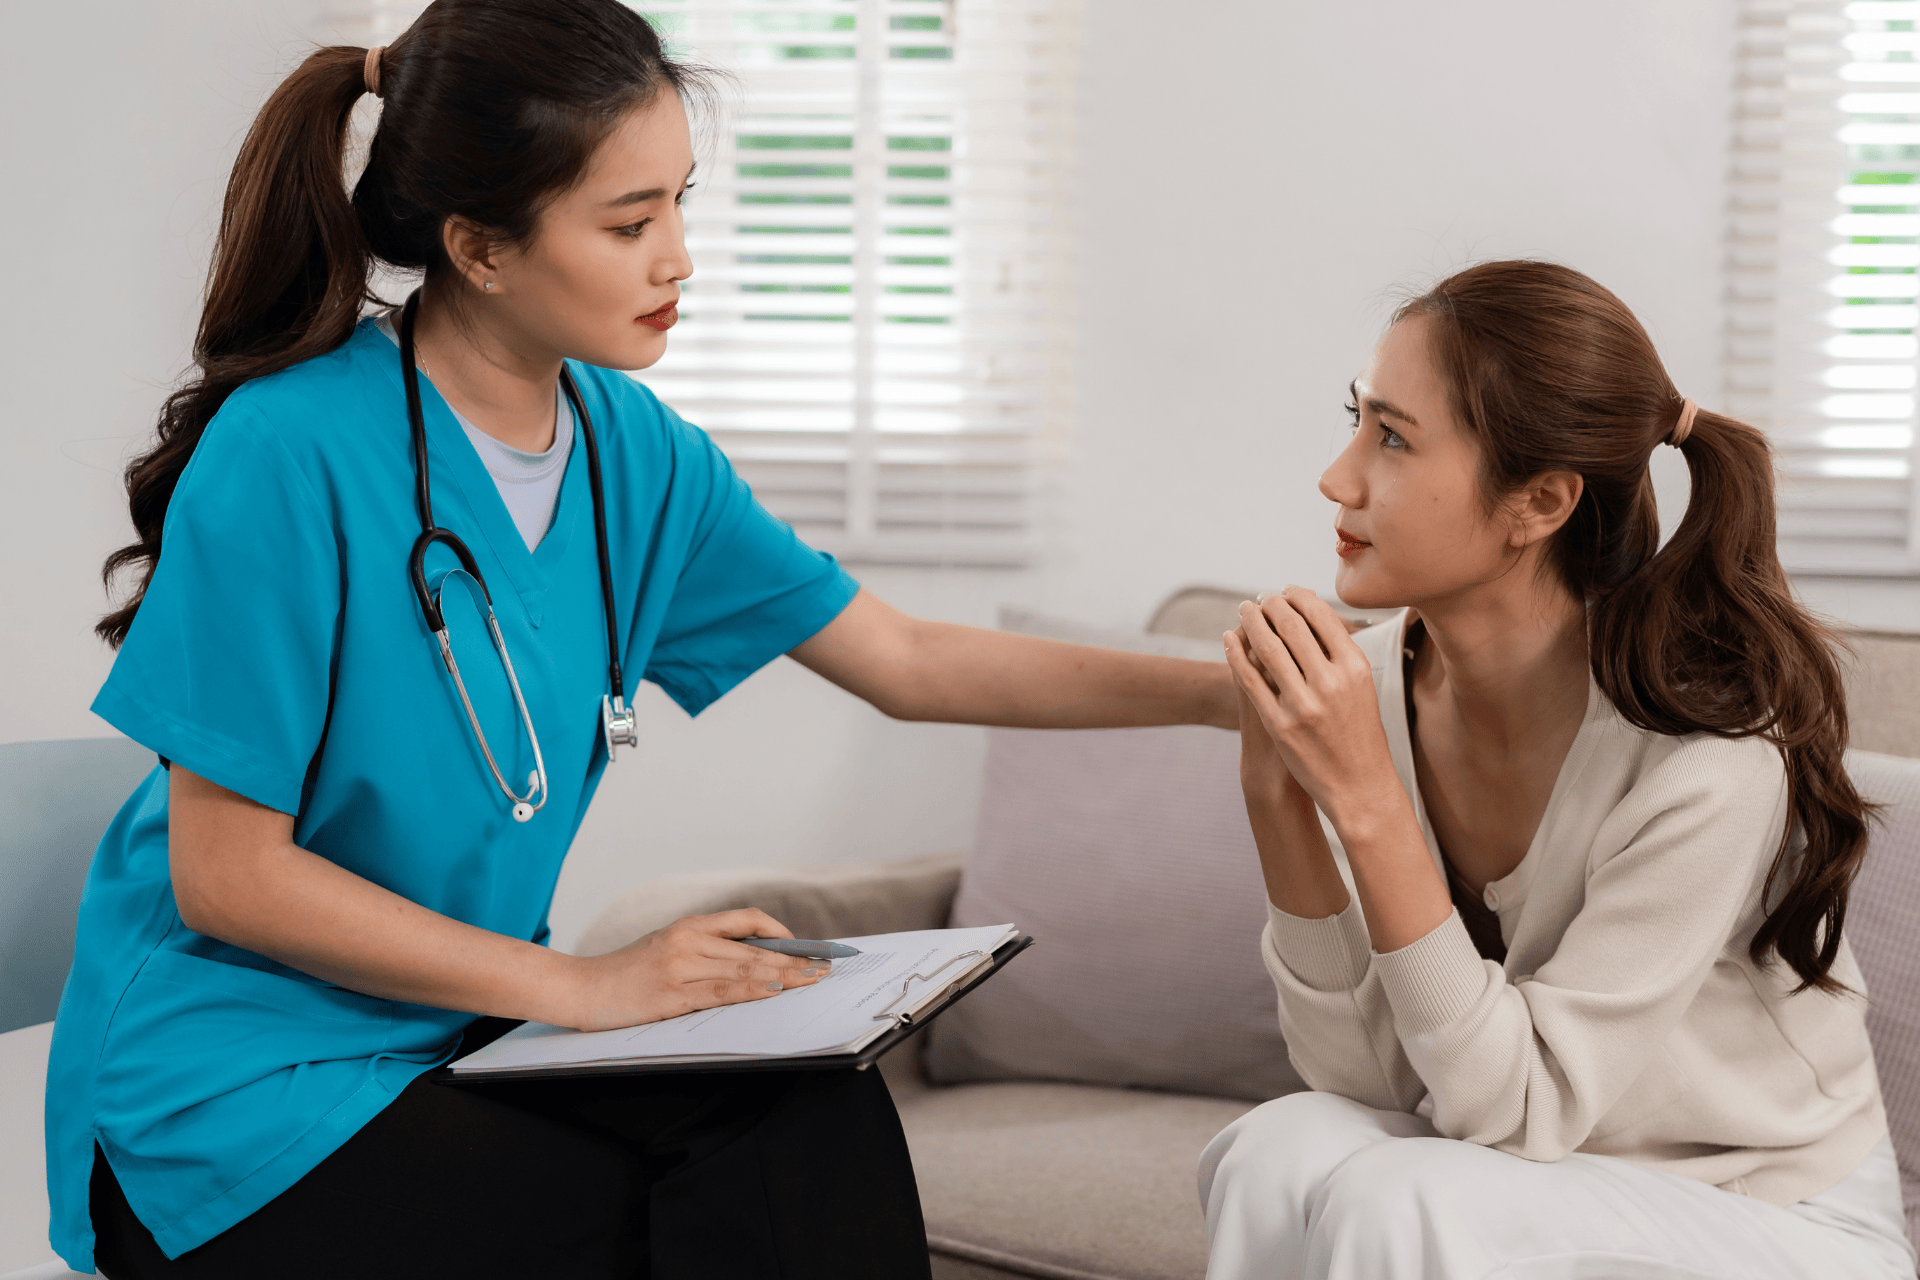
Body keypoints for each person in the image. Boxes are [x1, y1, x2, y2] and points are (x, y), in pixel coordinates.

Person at [45, 3, 1236, 1276]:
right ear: (480, 248)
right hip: (232, 1096)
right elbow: (226, 876)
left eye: (679, 202)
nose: (678, 258)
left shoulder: (632, 455)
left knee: (806, 1115)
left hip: (454, 1033)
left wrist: (1228, 694)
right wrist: (586, 987)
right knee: (650, 1218)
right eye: (628, 223)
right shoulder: (291, 452)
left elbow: (907, 660)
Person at [1200, 260, 1917, 1279]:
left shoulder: (1707, 753)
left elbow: (1522, 1105)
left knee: (1397, 1191)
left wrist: (1361, 799)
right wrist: (1276, 791)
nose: (1338, 476)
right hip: (1558, 1180)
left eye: (1393, 437)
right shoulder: (1370, 690)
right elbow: (1361, 1077)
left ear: (1538, 500)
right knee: (1282, 1145)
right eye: (1357, 421)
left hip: (1772, 1210)